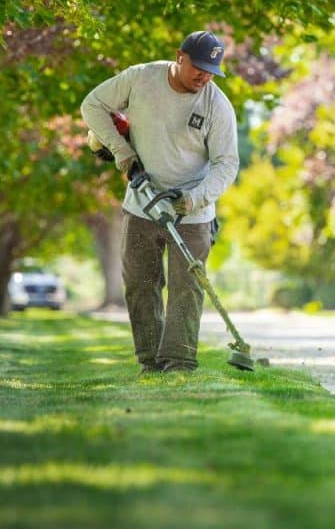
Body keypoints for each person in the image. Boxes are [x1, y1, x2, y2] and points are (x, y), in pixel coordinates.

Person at [81, 30, 239, 374]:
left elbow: (227, 163)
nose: (204, 76)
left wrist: (194, 198)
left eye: (212, 70)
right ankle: (151, 362)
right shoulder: (141, 78)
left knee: (187, 289)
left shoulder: (217, 105)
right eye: (198, 67)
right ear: (179, 56)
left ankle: (179, 362)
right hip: (142, 202)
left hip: (192, 211)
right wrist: (123, 153)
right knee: (140, 284)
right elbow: (91, 105)